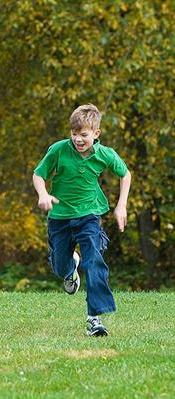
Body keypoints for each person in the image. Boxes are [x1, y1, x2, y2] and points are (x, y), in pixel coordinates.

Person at [33, 104, 131, 337]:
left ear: (96, 134)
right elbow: (38, 174)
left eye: (83, 134)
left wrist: (121, 205)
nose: (78, 139)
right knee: (60, 265)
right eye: (74, 133)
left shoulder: (105, 154)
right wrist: (43, 194)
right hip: (59, 217)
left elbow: (125, 174)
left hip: (89, 215)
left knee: (94, 259)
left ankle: (94, 319)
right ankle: (69, 269)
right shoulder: (58, 150)